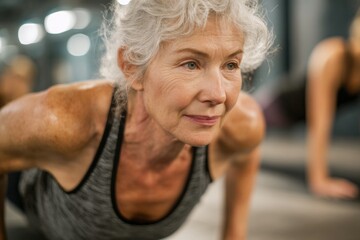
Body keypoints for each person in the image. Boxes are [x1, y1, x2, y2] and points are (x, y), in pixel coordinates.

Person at [0, 0, 273, 239]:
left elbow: (246, 152)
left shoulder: (242, 126)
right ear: (132, 66)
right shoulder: (63, 121)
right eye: (191, 64)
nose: (219, 94)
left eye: (230, 65)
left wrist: (233, 234)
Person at [260, 8, 360, 199]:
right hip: (276, 106)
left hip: (294, 118)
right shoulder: (333, 55)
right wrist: (319, 180)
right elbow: (319, 123)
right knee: (232, 122)